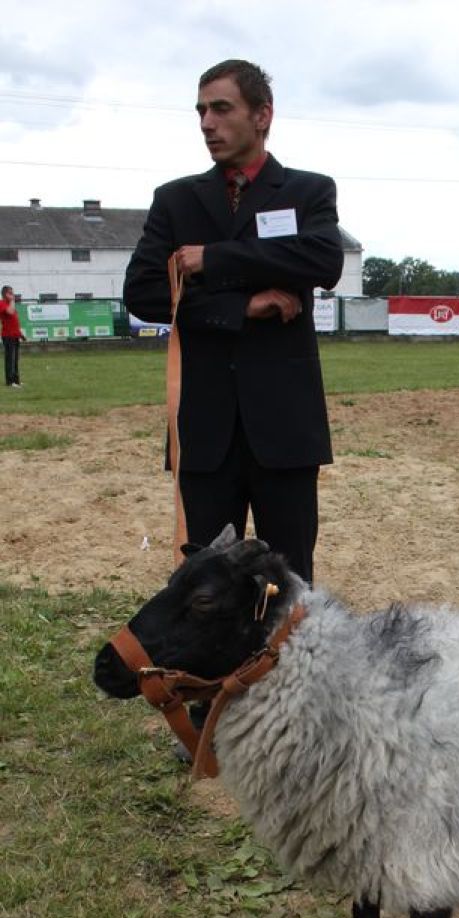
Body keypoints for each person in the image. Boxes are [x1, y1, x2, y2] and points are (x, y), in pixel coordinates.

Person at [124, 58, 343, 585]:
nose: (206, 123)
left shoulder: (309, 191)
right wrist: (242, 306)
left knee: (289, 581)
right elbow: (145, 292)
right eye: (201, 111)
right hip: (204, 430)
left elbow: (323, 262)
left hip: (285, 428)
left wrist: (215, 260)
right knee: (204, 584)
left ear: (262, 115)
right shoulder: (175, 200)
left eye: (221, 108)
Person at [0, 286, 26, 388]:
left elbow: (14, 321)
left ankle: (16, 380)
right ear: (5, 294)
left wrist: (21, 334)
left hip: (15, 335)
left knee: (15, 359)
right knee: (10, 359)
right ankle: (10, 382)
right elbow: (10, 312)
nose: (13, 295)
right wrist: (12, 300)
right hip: (8, 336)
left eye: (12, 293)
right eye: (10, 293)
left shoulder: (11, 304)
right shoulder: (2, 303)